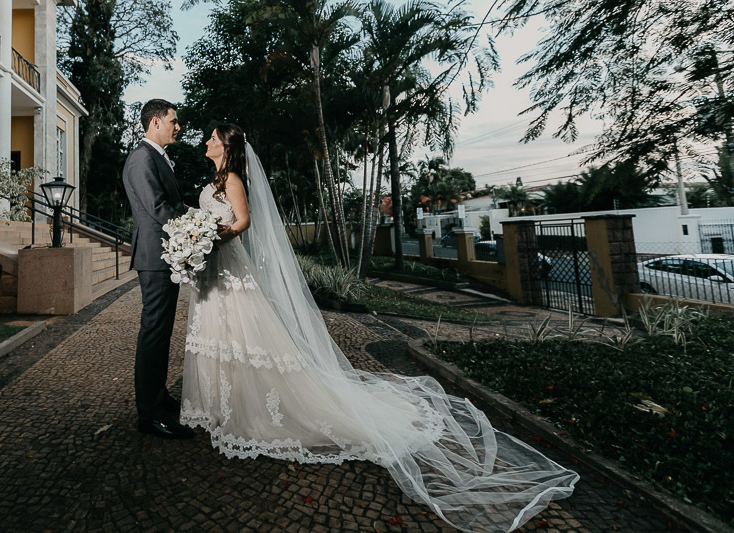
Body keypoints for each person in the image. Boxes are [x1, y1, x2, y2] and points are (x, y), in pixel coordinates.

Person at [180, 124, 580, 531]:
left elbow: (243, 222)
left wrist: (210, 236)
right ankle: (221, 406)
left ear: (227, 147)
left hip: (228, 267)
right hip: (214, 271)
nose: (207, 141)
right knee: (221, 338)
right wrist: (195, 238)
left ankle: (248, 410)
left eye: (213, 137)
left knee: (246, 340)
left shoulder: (231, 179)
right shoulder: (212, 179)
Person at [122, 99, 195, 439]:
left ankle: (158, 394)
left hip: (165, 255)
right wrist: (196, 226)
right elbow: (157, 208)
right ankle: (148, 414)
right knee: (153, 333)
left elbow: (171, 204)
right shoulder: (141, 157)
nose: (177, 126)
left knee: (161, 331)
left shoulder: (156, 156)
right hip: (155, 257)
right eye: (173, 121)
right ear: (154, 123)